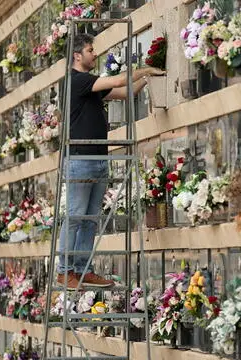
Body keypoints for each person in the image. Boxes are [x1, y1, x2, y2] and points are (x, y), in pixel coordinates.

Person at [57, 33, 165, 290]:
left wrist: (150, 76)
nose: (95, 54)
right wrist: (144, 68)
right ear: (77, 55)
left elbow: (124, 92)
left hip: (97, 159)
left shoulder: (90, 89)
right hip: (81, 159)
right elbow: (117, 79)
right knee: (75, 216)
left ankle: (83, 270)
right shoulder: (76, 81)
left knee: (90, 218)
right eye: (91, 50)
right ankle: (64, 271)